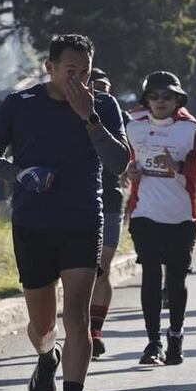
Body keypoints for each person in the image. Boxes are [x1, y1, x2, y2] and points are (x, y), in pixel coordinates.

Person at [0, 34, 129, 391]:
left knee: (75, 318)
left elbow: (118, 164)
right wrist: (20, 175)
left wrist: (89, 117)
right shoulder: (20, 104)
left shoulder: (103, 106)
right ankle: (47, 356)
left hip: (82, 220)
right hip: (33, 222)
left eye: (85, 72)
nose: (79, 81)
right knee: (43, 324)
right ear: (50, 68)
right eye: (70, 72)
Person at [125, 71, 196, 365]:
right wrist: (128, 171)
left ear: (178, 99)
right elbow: (124, 160)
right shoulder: (132, 126)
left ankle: (175, 335)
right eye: (154, 96)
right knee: (151, 276)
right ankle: (153, 342)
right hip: (144, 214)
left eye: (167, 96)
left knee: (176, 280)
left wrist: (180, 164)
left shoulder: (191, 129)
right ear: (146, 100)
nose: (160, 101)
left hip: (181, 217)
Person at [87, 67, 131, 359]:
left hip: (111, 199)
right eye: (95, 87)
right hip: (77, 201)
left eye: (105, 87)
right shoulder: (66, 115)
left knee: (102, 267)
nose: (100, 93)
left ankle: (95, 332)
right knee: (80, 270)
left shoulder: (118, 117)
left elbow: (129, 153)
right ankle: (76, 329)